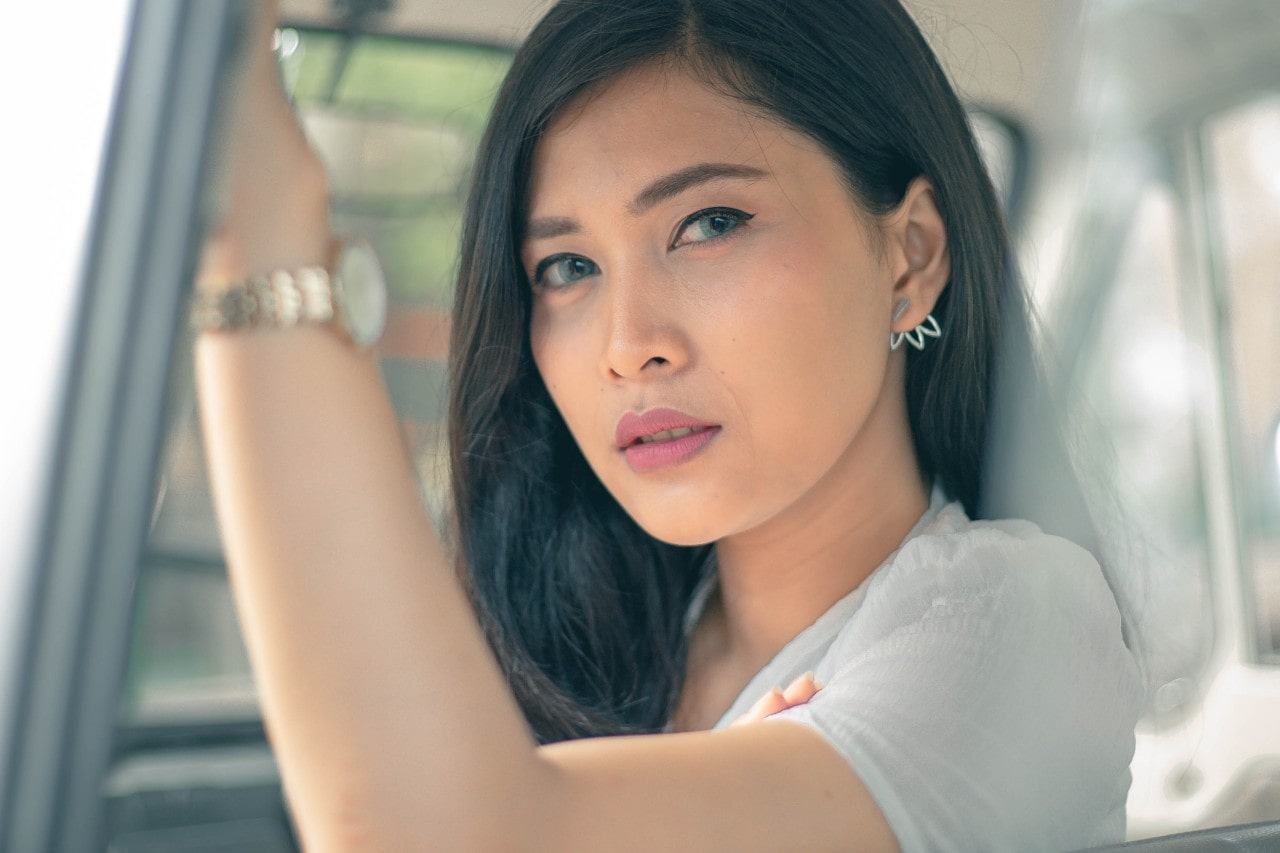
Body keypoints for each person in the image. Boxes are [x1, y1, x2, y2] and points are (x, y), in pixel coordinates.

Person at [194, 0, 1144, 849]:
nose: (627, 345)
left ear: (911, 257)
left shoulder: (1014, 621)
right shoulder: (610, 641)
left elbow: (423, 832)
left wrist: (263, 235)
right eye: (567, 268)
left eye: (710, 222)